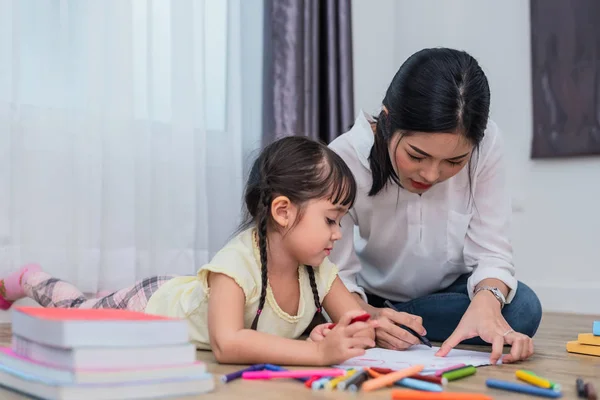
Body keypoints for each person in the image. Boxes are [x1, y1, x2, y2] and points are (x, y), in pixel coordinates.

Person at [0, 136, 377, 366]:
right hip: (151, 305)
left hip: (185, 298)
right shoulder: (237, 264)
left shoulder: (318, 270)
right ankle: (29, 277)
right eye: (331, 220)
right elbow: (227, 344)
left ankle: (102, 294)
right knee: (75, 312)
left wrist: (335, 332)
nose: (338, 235)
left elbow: (356, 325)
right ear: (282, 211)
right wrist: (317, 354)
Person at [328, 47, 542, 365]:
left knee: (523, 307)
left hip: (448, 293)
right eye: (416, 155)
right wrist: (364, 313)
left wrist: (487, 299)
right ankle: (383, 322)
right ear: (388, 122)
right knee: (323, 300)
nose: (431, 174)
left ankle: (394, 326)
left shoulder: (487, 145)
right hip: (370, 293)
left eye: (455, 161)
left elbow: (492, 252)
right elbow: (336, 273)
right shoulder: (344, 157)